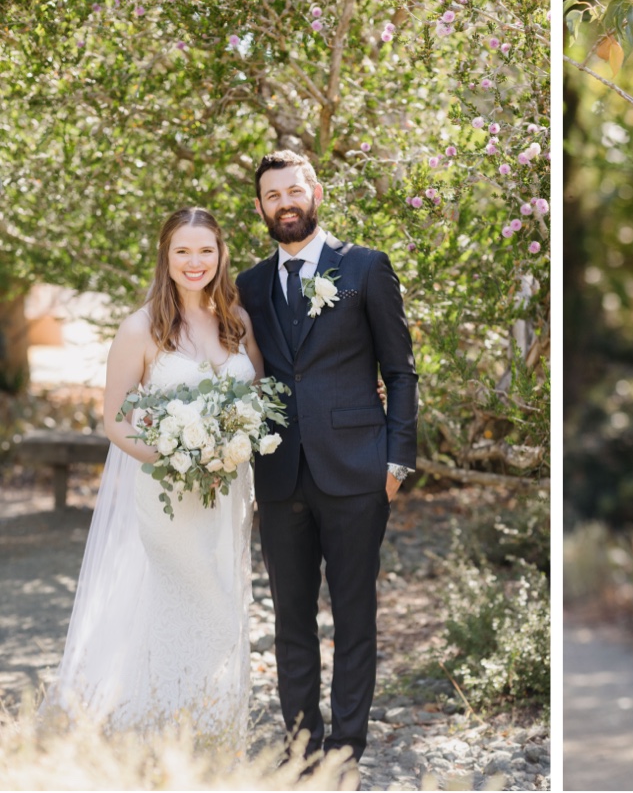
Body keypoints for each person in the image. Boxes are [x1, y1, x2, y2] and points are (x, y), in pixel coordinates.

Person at [47, 207, 264, 749]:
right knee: (187, 603)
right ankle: (158, 732)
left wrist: (231, 442)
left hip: (227, 493)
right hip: (168, 490)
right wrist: (175, 457)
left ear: (220, 255)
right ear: (166, 258)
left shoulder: (237, 318)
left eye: (206, 251)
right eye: (183, 252)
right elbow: (115, 419)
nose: (195, 262)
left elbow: (260, 393)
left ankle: (208, 732)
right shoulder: (140, 327)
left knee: (224, 604)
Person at [236, 150, 418, 767]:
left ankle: (345, 747)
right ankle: (301, 743)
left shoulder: (365, 268)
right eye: (272, 196)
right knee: (290, 616)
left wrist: (398, 461)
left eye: (294, 190)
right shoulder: (249, 286)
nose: (285, 203)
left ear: (316, 191)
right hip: (279, 473)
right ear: (260, 208)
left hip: (358, 469)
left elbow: (400, 370)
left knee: (353, 613)